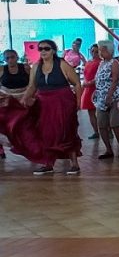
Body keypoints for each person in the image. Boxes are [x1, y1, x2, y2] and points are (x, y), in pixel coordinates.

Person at [9, 40, 84, 175]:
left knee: (66, 129)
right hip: (44, 103)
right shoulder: (36, 66)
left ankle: (74, 164)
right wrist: (24, 99)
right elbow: (32, 86)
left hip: (63, 102)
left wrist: (78, 102)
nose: (43, 51)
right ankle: (48, 163)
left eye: (46, 48)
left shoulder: (62, 64)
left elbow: (77, 83)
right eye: (41, 49)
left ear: (53, 51)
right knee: (45, 132)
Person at [93, 41, 119, 160]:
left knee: (115, 124)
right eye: (100, 50)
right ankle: (108, 149)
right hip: (101, 98)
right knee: (101, 124)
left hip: (114, 98)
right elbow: (99, 80)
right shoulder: (101, 63)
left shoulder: (114, 62)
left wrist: (109, 95)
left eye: (103, 50)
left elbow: (115, 79)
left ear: (110, 50)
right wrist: (95, 91)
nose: (100, 53)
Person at [0, 49, 30, 159]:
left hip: (23, 98)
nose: (10, 60)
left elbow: (32, 83)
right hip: (6, 99)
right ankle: (1, 147)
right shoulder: (2, 69)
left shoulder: (25, 67)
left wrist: (29, 96)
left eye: (12, 57)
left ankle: (29, 147)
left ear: (17, 57)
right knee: (3, 122)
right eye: (7, 58)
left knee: (26, 123)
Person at [80, 44, 101, 140]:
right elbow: (85, 75)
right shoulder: (88, 62)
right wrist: (85, 82)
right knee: (90, 112)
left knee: (102, 112)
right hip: (88, 89)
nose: (94, 53)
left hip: (98, 88)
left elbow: (99, 77)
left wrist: (90, 83)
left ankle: (107, 131)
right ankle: (96, 131)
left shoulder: (102, 63)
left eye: (96, 51)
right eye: (92, 51)